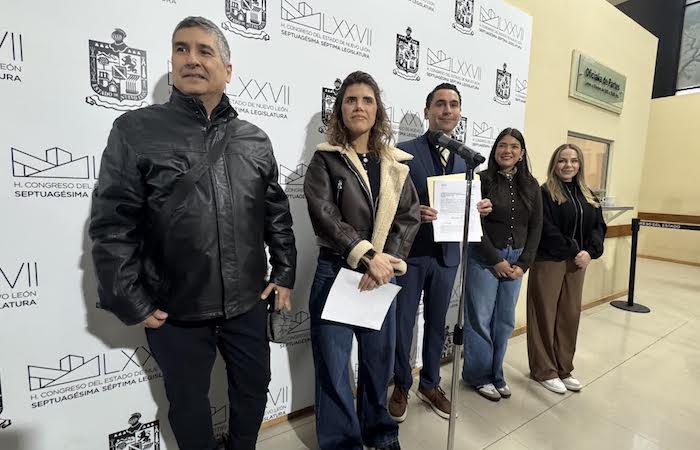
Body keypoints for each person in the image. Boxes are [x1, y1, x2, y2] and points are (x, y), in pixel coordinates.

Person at [89, 17, 296, 450]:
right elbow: (113, 223)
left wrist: (284, 272)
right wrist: (132, 300)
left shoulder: (254, 139)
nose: (192, 59)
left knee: (253, 390)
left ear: (228, 70)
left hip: (246, 304)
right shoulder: (135, 130)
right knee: (187, 405)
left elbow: (275, 213)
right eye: (181, 49)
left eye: (205, 51)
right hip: (175, 311)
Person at [303, 71, 420, 450]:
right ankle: (342, 443)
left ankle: (380, 433)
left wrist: (386, 262)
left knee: (377, 362)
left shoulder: (395, 163)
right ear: (340, 109)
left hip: (382, 274)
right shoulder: (325, 159)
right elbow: (324, 214)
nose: (359, 106)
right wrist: (366, 255)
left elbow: (409, 216)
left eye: (367, 100)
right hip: (335, 271)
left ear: (377, 110)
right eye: (350, 100)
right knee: (334, 368)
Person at [388, 83, 492, 422]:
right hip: (411, 253)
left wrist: (480, 208)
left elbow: (466, 205)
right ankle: (401, 384)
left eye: (453, 104)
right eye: (440, 104)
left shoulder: (467, 158)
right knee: (403, 322)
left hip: (447, 255)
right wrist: (412, 211)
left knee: (437, 324)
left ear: (460, 112)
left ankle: (430, 384)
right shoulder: (403, 152)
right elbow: (386, 202)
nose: (447, 110)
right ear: (427, 110)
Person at [462, 128, 542, 401]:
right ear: (495, 150)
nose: (507, 151)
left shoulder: (531, 185)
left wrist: (524, 264)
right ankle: (478, 376)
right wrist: (495, 260)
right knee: (480, 319)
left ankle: (496, 374)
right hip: (485, 259)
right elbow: (474, 225)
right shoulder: (481, 180)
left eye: (514, 146)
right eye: (502, 145)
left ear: (521, 153)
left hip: (517, 260)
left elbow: (536, 227)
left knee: (505, 321)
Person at [526, 143, 607, 394]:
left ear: (580, 164)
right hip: (549, 260)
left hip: (578, 262)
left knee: (569, 315)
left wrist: (590, 252)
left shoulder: (588, 194)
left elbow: (598, 226)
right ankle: (544, 370)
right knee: (544, 315)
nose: (568, 165)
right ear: (555, 164)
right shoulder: (544, 192)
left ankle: (564, 368)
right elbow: (546, 229)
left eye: (573, 160)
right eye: (562, 160)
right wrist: (573, 250)